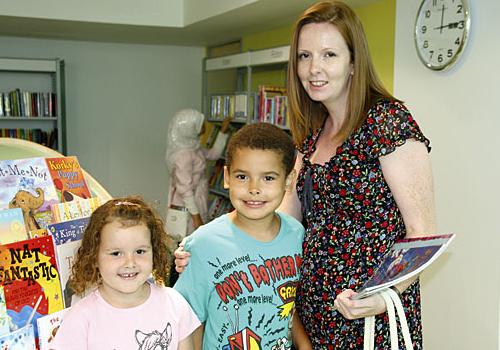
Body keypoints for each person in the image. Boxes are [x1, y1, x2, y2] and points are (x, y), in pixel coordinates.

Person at [176, 1, 436, 348]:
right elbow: (276, 219)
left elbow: (422, 234)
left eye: (329, 55)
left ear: (354, 62)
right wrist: (207, 247)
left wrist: (386, 291)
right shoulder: (312, 136)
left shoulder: (386, 123)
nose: (314, 68)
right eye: (304, 56)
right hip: (309, 316)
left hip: (368, 317)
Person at [173, 123, 307, 350]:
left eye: (268, 178)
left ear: (289, 179)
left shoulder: (296, 234)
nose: (254, 188)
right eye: (242, 176)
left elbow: (288, 305)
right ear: (226, 177)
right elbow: (187, 321)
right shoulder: (204, 243)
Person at [51, 196, 201, 350]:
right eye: (116, 253)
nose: (130, 263)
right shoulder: (80, 319)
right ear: (94, 257)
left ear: (154, 252)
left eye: (140, 251)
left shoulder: (175, 304)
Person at [165, 108, 231, 235]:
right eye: (200, 124)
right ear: (188, 129)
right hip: (188, 208)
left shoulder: (192, 146)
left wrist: (222, 132)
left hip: (197, 200)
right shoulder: (183, 156)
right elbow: (185, 190)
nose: (204, 126)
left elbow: (213, 154)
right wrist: (196, 217)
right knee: (189, 241)